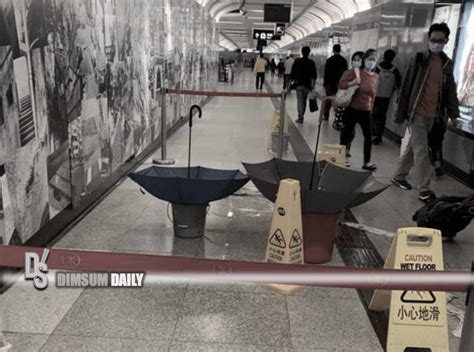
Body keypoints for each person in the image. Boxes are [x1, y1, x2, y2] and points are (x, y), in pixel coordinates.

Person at [391, 23, 459, 202]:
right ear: (428, 40)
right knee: (422, 151)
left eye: (440, 40)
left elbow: (451, 90)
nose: (437, 43)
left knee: (414, 148)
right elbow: (407, 85)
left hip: (435, 115)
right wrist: (401, 113)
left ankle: (399, 176)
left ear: (446, 41)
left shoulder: (447, 63)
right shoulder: (419, 58)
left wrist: (454, 114)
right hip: (418, 113)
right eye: (433, 40)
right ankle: (425, 190)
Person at [339, 49, 379, 171]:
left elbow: (374, 94)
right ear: (364, 60)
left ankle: (366, 162)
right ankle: (342, 158)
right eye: (369, 59)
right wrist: (353, 83)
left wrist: (371, 109)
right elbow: (342, 85)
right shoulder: (357, 73)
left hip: (366, 111)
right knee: (346, 134)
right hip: (352, 109)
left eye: (374, 60)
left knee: (368, 135)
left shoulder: (376, 77)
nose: (371, 62)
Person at [372, 49, 402, 144]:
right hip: (386, 97)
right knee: (382, 116)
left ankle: (374, 134)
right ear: (393, 58)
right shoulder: (395, 70)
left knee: (373, 115)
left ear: (384, 56)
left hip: (376, 95)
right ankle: (379, 135)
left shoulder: (377, 68)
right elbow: (399, 84)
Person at [290, 46, 317, 123]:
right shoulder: (311, 63)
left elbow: (292, 73)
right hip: (307, 86)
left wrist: (290, 82)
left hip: (299, 84)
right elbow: (314, 75)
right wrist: (313, 85)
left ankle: (300, 116)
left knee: (300, 101)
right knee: (304, 101)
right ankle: (302, 115)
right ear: (309, 53)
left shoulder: (297, 61)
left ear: (302, 52)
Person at [323, 44, 348, 120]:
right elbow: (345, 73)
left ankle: (326, 116)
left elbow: (326, 73)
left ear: (333, 50)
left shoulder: (329, 60)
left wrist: (325, 84)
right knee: (339, 100)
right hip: (339, 84)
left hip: (330, 83)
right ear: (340, 50)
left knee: (328, 100)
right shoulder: (344, 61)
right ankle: (338, 117)